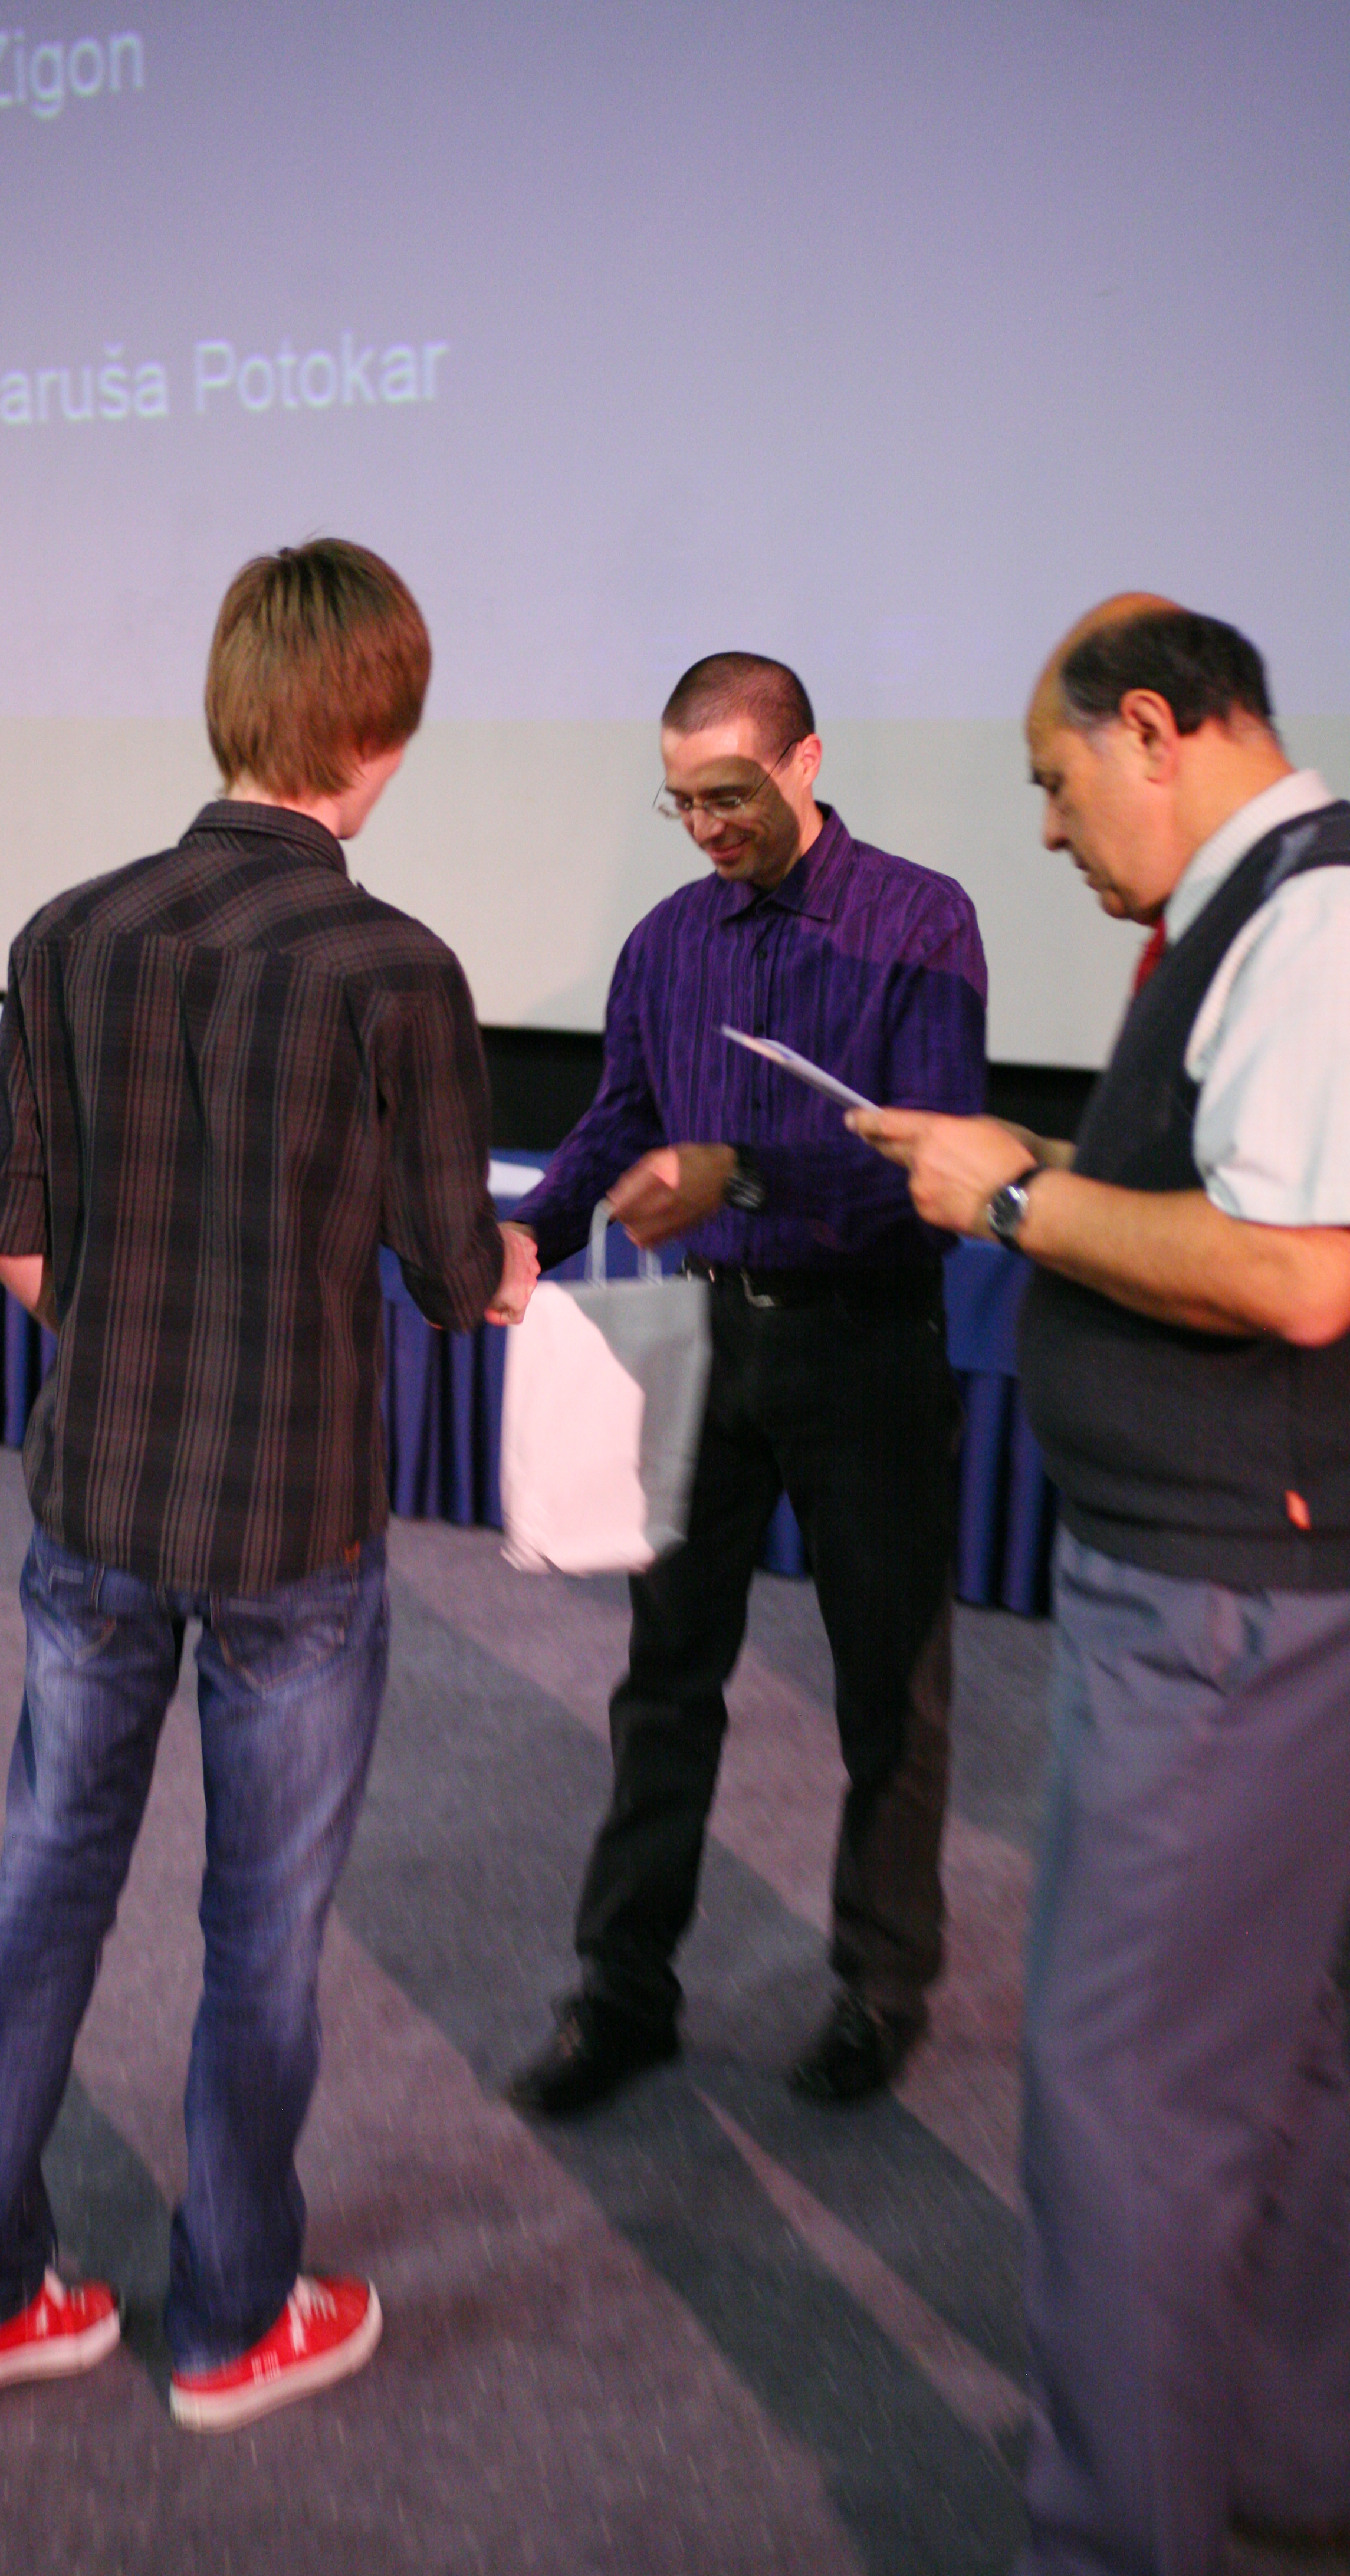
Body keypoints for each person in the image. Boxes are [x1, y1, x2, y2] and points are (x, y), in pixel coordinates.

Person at [0, 539, 538, 2431]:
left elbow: (13, 1242)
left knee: (42, 1890)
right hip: (293, 1534)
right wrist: (508, 1268)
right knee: (259, 1936)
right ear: (386, 732)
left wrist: (127, 1336)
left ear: (230, 704)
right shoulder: (395, 971)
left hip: (94, 1506)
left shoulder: (66, 933)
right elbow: (456, 1278)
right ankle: (230, 2322)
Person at [855, 598, 1350, 2574]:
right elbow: (1244, 1194)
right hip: (1257, 1585)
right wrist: (1045, 1158)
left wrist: (1011, 1194)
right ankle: (1282, 2460)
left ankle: (1123, 2533)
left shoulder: (1308, 918)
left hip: (1221, 1600)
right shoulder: (1269, 914)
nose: (1050, 831)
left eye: (1057, 783)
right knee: (1278, 2049)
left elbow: (1298, 1271)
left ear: (1156, 727)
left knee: (1124, 2086)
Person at [505, 651, 988, 2117]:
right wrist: (530, 1231)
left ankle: (880, 1991)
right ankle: (623, 1994)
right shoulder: (666, 941)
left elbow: (938, 1174)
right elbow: (617, 1121)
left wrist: (747, 1171)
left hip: (868, 1342)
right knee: (665, 1682)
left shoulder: (920, 922)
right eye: (681, 803)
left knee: (887, 1691)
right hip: (706, 1341)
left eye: (728, 795)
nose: (707, 827)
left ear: (804, 763)